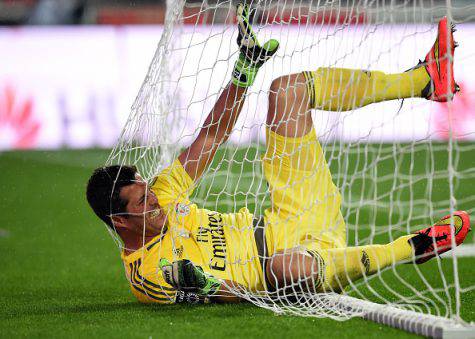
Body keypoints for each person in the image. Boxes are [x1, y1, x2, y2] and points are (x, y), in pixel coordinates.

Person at [86, 5, 470, 304]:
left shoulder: (163, 192)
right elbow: (240, 294)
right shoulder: (149, 275)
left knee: (287, 91)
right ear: (120, 222)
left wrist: (243, 71)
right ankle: (414, 246)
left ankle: (423, 80)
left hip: (291, 212)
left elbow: (211, 135)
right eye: (142, 201)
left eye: (146, 189)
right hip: (292, 262)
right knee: (287, 265)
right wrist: (207, 286)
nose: (154, 198)